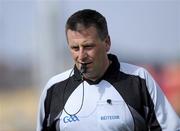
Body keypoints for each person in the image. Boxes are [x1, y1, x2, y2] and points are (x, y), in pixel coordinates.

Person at [36, 9, 180, 131]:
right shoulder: (54, 88)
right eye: (75, 48)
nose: (81, 55)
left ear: (107, 43)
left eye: (88, 46)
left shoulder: (139, 80)